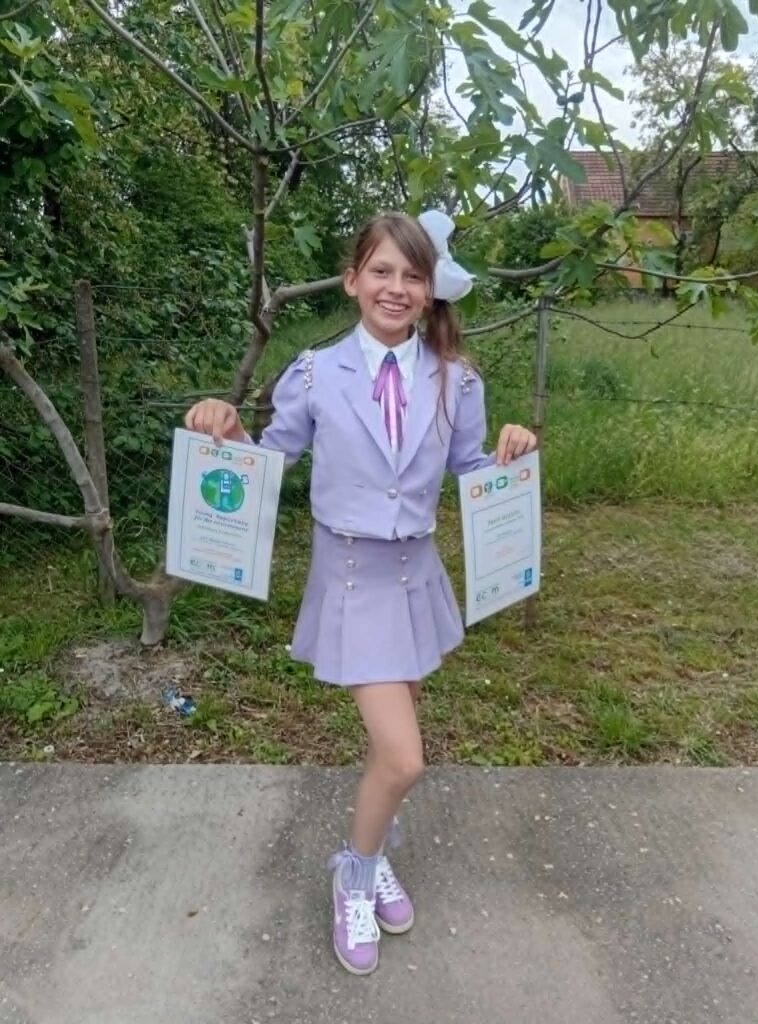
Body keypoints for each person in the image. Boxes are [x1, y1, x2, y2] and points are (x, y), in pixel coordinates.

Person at [185, 209, 537, 976]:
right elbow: (269, 459)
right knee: (404, 759)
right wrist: (227, 430)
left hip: (418, 578)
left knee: (388, 749)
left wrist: (510, 456)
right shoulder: (314, 374)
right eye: (381, 271)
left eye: (412, 275)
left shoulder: (457, 380)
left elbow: (472, 468)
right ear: (352, 281)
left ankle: (374, 855)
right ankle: (354, 871)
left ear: (430, 291)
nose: (396, 287)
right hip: (351, 577)